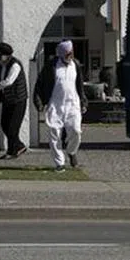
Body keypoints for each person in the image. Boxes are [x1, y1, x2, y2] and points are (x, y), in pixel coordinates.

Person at [33, 39, 86, 171]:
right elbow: (39, 85)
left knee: (76, 131)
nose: (70, 56)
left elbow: (80, 86)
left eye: (71, 53)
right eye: (68, 53)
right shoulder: (51, 66)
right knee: (54, 134)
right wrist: (39, 102)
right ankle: (59, 163)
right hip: (55, 105)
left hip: (73, 104)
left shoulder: (76, 65)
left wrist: (84, 101)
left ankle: (71, 152)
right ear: (62, 54)